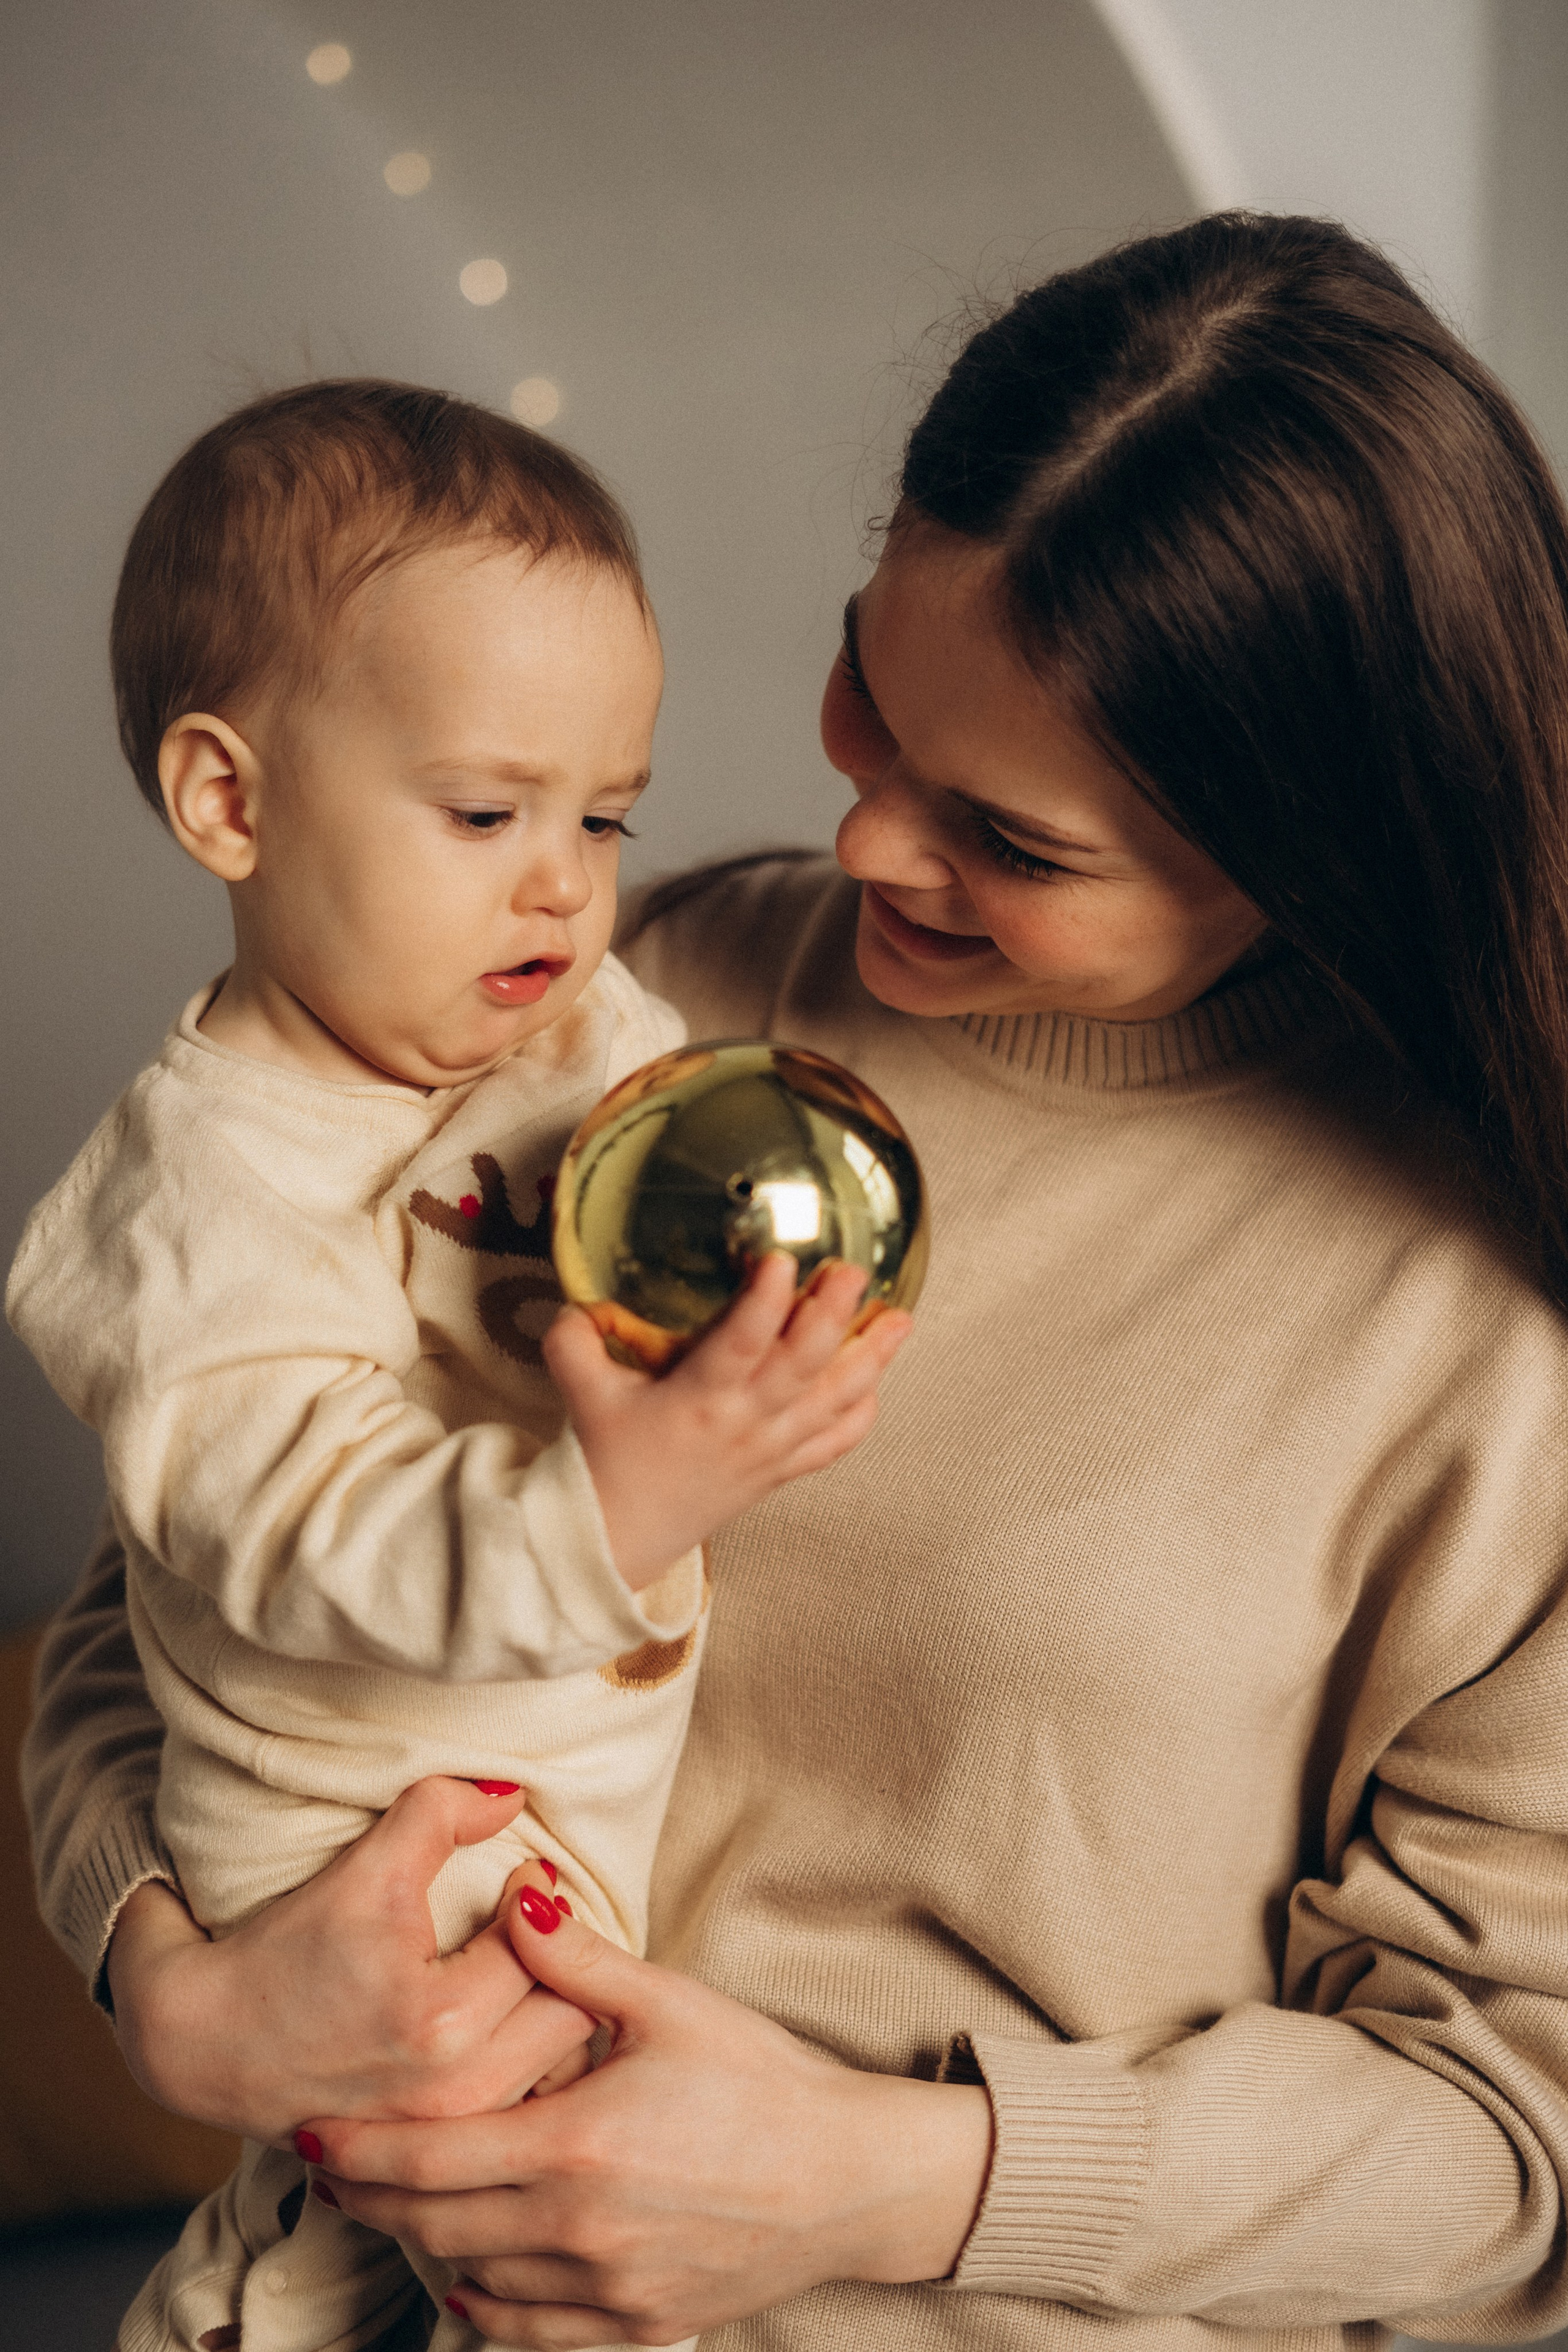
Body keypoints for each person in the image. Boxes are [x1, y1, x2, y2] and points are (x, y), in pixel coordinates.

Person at [24, 209, 1568, 2352]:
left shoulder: (1497, 1328)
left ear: (1301, 846)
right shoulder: (630, 999)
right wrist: (174, 1983)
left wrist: (872, 2185)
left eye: (1009, 841)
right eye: (870, 695)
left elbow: (1506, 2150)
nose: (860, 850)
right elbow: (185, 1577)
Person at [7, 381, 908, 2352]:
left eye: (605, 816)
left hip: (552, 1812)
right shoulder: (191, 1205)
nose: (563, 885)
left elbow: (672, 1150)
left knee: (465, 2244)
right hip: (347, 1837)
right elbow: (283, 1533)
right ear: (231, 804)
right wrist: (626, 1503)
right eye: (488, 813)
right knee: (504, 2240)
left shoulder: (560, 1022)